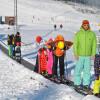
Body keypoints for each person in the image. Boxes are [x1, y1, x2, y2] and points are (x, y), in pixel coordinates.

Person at [73, 20, 97, 90]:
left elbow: (94, 45)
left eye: (87, 25)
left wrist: (93, 54)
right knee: (78, 69)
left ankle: (86, 84)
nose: (86, 26)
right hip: (80, 56)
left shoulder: (92, 34)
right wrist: (76, 54)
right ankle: (77, 83)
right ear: (82, 25)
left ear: (88, 25)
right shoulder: (78, 34)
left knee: (87, 70)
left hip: (88, 56)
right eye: (84, 25)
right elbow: (75, 45)